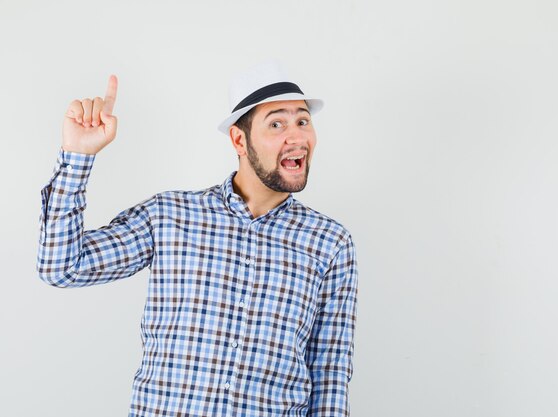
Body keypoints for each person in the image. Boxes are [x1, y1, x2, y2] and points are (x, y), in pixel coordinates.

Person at [37, 60, 358, 417]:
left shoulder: (330, 243)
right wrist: (77, 157)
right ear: (239, 139)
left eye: (303, 121)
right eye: (277, 123)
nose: (296, 136)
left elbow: (329, 374)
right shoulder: (169, 217)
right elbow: (62, 267)